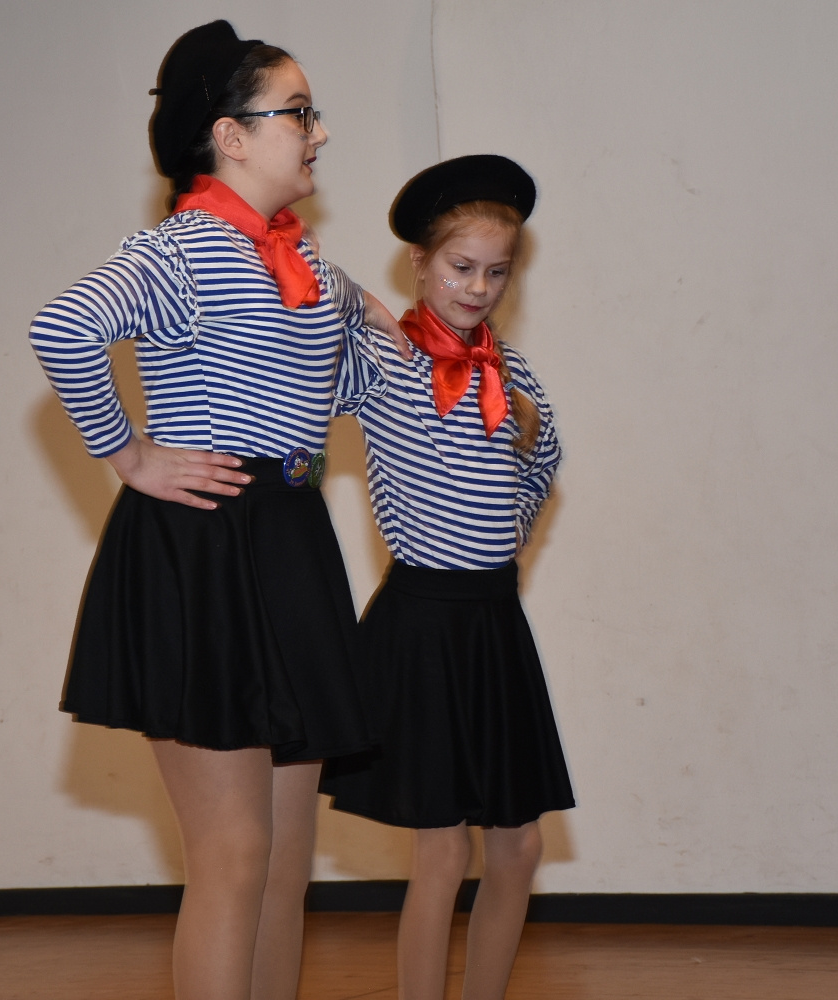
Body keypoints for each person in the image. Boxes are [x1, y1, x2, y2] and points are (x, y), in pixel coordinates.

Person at [29, 21, 402, 1000]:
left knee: (282, 858)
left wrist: (377, 316)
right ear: (230, 137)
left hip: (286, 538)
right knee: (234, 853)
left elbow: (337, 381)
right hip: (204, 548)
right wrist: (130, 456)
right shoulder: (185, 250)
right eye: (298, 113)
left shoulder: (300, 262)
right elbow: (64, 327)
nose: (319, 132)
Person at [321, 155, 575, 1000]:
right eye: (461, 267)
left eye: (497, 272)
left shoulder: (515, 374)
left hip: (493, 622)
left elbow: (540, 467)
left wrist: (503, 542)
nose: (478, 287)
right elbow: (301, 322)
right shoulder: (382, 360)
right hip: (423, 624)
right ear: (420, 264)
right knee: (442, 850)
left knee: (520, 847)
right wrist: (359, 301)